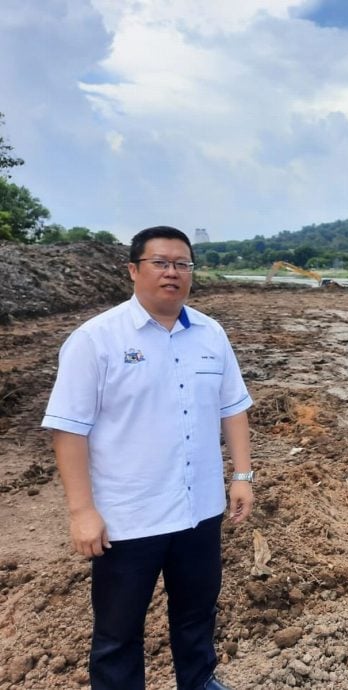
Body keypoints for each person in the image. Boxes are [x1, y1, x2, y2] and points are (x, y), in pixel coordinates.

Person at [42, 226, 254, 690]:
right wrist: (82, 512)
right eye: (160, 262)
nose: (172, 273)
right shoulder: (95, 339)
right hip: (128, 518)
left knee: (197, 614)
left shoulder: (211, 334)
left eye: (182, 264)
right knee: (118, 632)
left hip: (199, 512)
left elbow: (232, 406)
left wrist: (241, 475)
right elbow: (68, 430)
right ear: (134, 270)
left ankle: (198, 682)